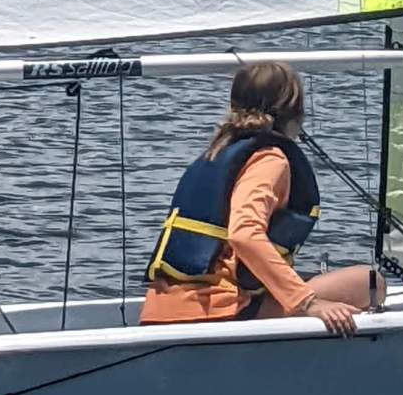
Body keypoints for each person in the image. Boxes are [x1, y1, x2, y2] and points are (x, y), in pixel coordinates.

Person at [141, 59, 384, 336]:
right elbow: (244, 233)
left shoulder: (218, 151)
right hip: (223, 313)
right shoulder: (270, 160)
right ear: (295, 113)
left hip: (163, 310)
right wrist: (309, 303)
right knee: (370, 282)